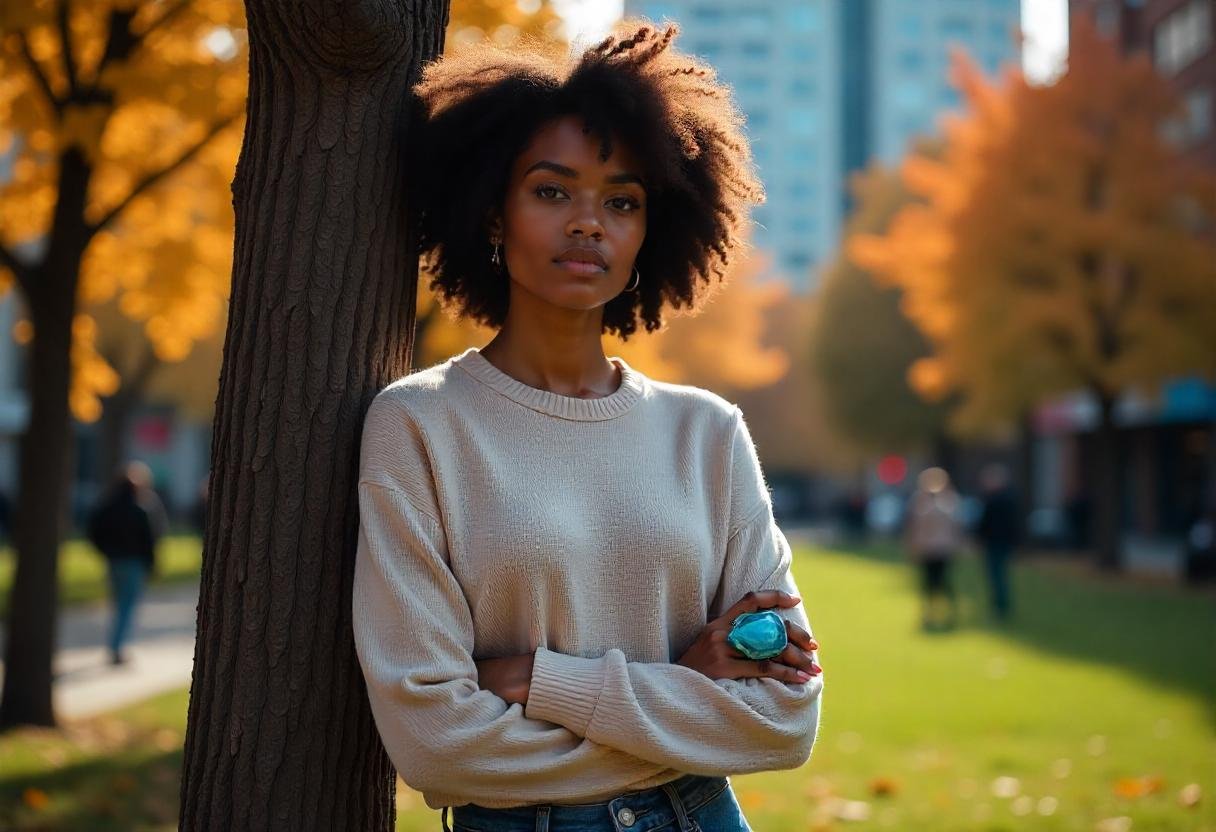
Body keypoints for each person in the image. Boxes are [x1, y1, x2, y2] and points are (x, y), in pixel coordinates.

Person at [351, 20, 823, 831]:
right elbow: (436, 742)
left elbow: (783, 719)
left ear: (651, 229)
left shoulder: (707, 435)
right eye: (550, 190)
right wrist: (686, 697)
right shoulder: (419, 425)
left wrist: (539, 679)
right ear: (492, 213)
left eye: (622, 200)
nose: (588, 222)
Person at [86, 461, 167, 665]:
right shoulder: (140, 509)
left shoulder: (107, 506)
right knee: (126, 606)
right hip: (134, 563)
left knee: (118, 604)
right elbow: (149, 539)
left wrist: (105, 551)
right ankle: (116, 648)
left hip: (114, 561)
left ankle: (115, 644)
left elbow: (93, 531)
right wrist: (152, 563)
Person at [903, 467, 963, 630]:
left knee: (943, 582)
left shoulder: (949, 501)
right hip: (927, 548)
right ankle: (928, 613)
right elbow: (914, 527)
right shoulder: (919, 502)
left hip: (942, 549)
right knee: (927, 583)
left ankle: (949, 612)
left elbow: (955, 526)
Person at [975, 463, 1020, 621]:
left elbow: (985, 523)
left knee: (997, 576)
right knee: (998, 576)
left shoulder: (995, 500)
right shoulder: (1008, 498)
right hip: (1001, 542)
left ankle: (1000, 607)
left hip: (996, 542)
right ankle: (1000, 606)